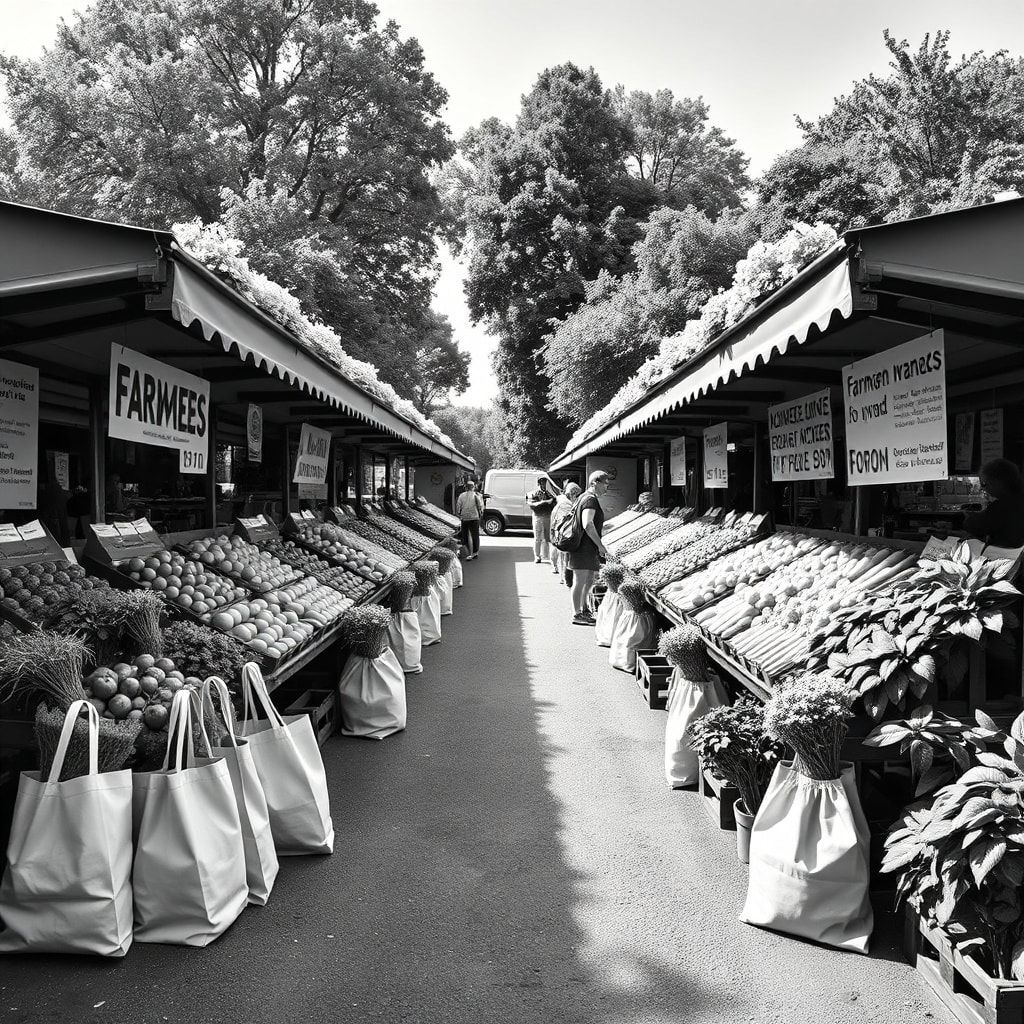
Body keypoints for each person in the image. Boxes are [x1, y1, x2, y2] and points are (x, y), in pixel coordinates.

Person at [570, 470, 610, 625]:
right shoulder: (590, 499)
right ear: (595, 483)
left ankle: (584, 609)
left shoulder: (584, 497)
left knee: (587, 580)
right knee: (580, 581)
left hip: (585, 547)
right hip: (583, 548)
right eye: (605, 484)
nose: (607, 487)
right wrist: (600, 545)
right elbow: (587, 523)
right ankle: (577, 614)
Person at [964, 458, 1024, 548]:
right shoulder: (1017, 499)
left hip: (1005, 554)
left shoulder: (1002, 506)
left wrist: (968, 518)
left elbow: (976, 526)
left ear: (997, 482)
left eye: (984, 484)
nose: (982, 488)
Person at [551, 481, 581, 583]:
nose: (576, 497)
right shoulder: (565, 505)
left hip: (559, 533)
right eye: (576, 494)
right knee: (564, 556)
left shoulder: (562, 502)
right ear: (572, 494)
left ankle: (563, 576)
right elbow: (566, 521)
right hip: (563, 534)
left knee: (562, 555)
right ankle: (564, 577)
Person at [526, 476, 557, 563]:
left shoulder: (549, 494)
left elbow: (554, 503)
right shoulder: (533, 493)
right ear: (538, 484)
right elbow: (532, 505)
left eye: (544, 483)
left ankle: (548, 556)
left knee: (548, 537)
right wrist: (544, 502)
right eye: (541, 483)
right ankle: (537, 556)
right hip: (538, 516)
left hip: (548, 516)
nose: (543, 485)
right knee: (537, 537)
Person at [455, 480, 485, 560]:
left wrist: (459, 513)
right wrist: (480, 513)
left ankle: (467, 552)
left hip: (465, 518)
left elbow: (458, 506)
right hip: (474, 518)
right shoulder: (477, 495)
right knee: (475, 535)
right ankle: (475, 553)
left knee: (465, 535)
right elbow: (481, 506)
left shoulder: (461, 495)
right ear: (473, 487)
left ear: (466, 487)